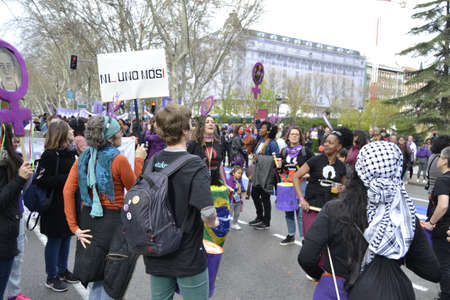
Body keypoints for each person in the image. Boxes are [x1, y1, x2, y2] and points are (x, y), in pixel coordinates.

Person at [298, 141, 440, 300]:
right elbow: (432, 271)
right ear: (398, 170)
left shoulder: (334, 209)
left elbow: (307, 257)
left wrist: (321, 276)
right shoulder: (405, 218)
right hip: (384, 290)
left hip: (336, 288)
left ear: (359, 170)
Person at [63, 116, 146, 300]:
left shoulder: (81, 159)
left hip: (88, 221)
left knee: (98, 277)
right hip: (113, 223)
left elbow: (67, 191)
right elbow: (135, 192)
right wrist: (139, 161)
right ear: (109, 137)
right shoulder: (119, 160)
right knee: (112, 280)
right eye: (118, 130)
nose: (121, 133)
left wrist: (74, 228)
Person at [145, 104, 218, 300]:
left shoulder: (152, 161)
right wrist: (214, 224)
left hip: (156, 247)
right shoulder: (195, 164)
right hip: (186, 251)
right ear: (185, 131)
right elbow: (207, 213)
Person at [34, 119, 77, 292]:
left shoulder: (70, 152)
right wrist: (67, 178)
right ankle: (51, 277)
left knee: (66, 237)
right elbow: (41, 180)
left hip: (68, 203)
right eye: (69, 130)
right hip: (53, 206)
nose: (73, 131)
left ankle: (63, 270)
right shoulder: (49, 155)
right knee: (54, 240)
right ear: (61, 133)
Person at [292, 127, 353, 238]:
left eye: (330, 143)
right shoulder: (315, 160)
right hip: (311, 209)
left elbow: (346, 188)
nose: (326, 144)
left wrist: (342, 189)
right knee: (310, 243)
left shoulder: (341, 166)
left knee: (325, 246)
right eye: (326, 142)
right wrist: (301, 199)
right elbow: (295, 177)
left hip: (331, 212)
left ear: (338, 147)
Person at [0, 124, 33, 300]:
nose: (15, 138)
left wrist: (25, 175)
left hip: (11, 222)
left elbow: (24, 188)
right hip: (4, 231)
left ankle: (14, 293)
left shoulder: (12, 159)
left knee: (16, 259)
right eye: (11, 135)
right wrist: (19, 178)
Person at [188, 115, 231, 246]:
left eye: (212, 122)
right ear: (202, 126)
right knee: (199, 216)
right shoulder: (194, 144)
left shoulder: (219, 143)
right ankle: (197, 242)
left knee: (213, 215)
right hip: (198, 185)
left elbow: (220, 166)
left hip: (215, 185)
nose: (211, 124)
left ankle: (210, 242)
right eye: (207, 122)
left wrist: (226, 184)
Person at [278, 127, 313, 245]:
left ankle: (304, 238)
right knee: (288, 211)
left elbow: (314, 166)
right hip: (287, 184)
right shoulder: (283, 151)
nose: (294, 136)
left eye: (297, 134)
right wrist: (279, 167)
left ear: (300, 137)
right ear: (288, 136)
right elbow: (281, 169)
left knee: (300, 212)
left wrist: (308, 174)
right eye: (292, 134)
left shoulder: (305, 151)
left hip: (301, 183)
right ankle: (291, 235)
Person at [423, 146, 450, 300]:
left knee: (445, 264)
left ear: (445, 161)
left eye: (440, 158)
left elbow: (443, 205)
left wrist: (431, 222)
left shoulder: (443, 179)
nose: (438, 160)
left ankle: (446, 295)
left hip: (443, 227)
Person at [248, 121, 279, 230]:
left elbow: (276, 160)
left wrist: (259, 158)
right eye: (260, 128)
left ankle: (266, 221)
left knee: (265, 198)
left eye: (263, 128)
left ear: (268, 131)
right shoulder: (260, 141)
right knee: (254, 194)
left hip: (267, 176)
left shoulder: (272, 143)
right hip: (258, 174)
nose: (260, 130)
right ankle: (259, 217)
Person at [426, 135, 450, 217]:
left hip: (431, 192)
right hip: (440, 194)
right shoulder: (442, 160)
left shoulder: (432, 157)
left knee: (432, 215)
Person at [227, 165, 244, 231]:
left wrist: (240, 189)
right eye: (238, 173)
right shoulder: (230, 180)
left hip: (238, 200)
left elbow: (241, 190)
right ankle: (226, 224)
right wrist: (235, 188)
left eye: (241, 173)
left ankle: (234, 223)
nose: (240, 175)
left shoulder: (239, 180)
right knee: (229, 213)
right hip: (231, 200)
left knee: (237, 213)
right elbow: (229, 190)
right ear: (233, 173)